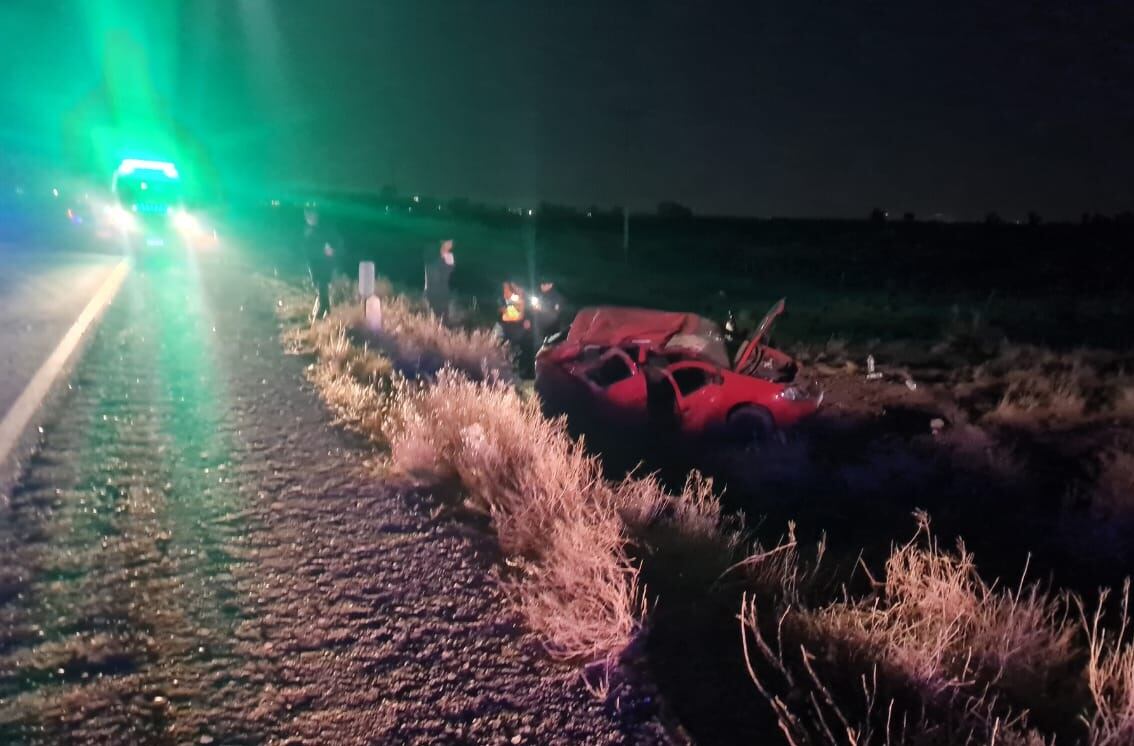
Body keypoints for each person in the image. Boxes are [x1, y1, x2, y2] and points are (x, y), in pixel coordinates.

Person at [301, 204, 339, 320]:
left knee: (322, 287)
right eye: (308, 215)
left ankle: (320, 315)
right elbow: (305, 247)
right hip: (313, 263)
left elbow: (334, 243)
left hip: (324, 264)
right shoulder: (306, 230)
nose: (310, 217)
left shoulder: (324, 229)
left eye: (312, 215)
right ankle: (327, 313)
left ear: (316, 215)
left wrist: (330, 249)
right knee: (318, 287)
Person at [424, 239, 455, 319]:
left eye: (451, 243)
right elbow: (427, 273)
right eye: (448, 242)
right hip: (433, 291)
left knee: (443, 315)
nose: (450, 245)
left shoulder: (449, 256)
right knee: (433, 314)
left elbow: (448, 269)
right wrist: (426, 290)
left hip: (442, 291)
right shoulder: (433, 256)